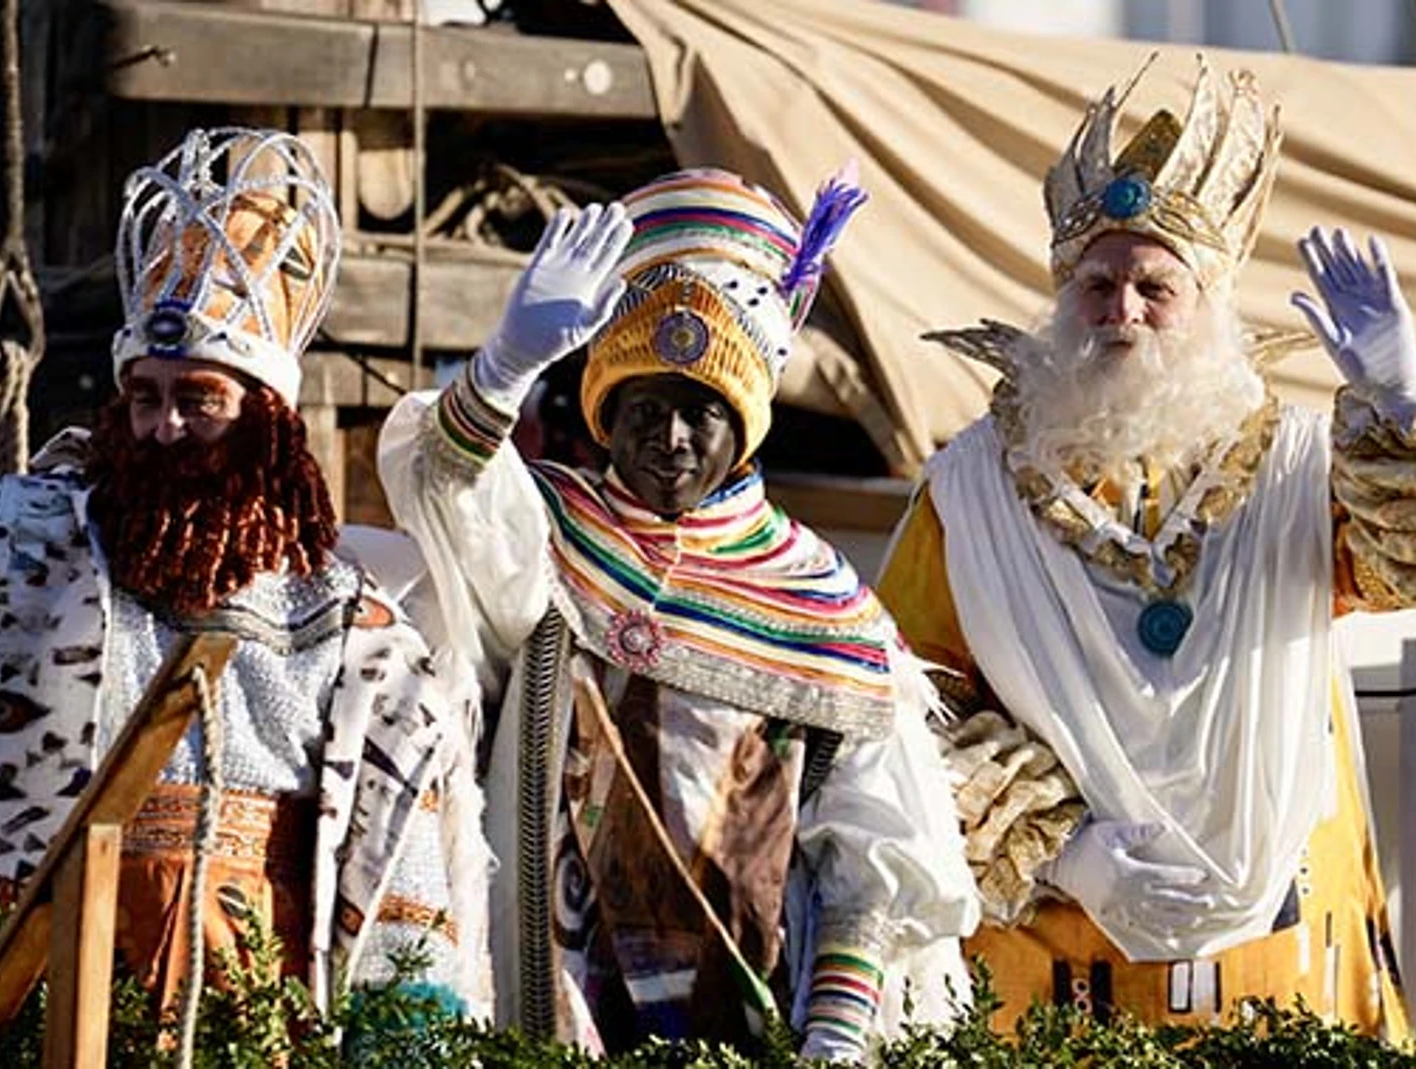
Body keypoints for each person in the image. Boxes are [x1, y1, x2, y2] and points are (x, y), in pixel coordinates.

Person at [0, 129, 489, 1025]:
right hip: (34, 1010)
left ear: (266, 418)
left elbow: (406, 922)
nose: (164, 427)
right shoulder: (36, 549)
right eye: (146, 397)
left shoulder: (354, 628)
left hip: (257, 1033)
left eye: (198, 399)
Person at [876, 59, 1416, 1035]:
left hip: (1281, 960)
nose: (1124, 310)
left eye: (1157, 285)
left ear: (1210, 303)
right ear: (1060, 299)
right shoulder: (969, 493)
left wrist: (1405, 399)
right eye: (1097, 284)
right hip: (1056, 959)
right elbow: (895, 712)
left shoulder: (1293, 468)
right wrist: (1060, 846)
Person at [379, 168, 978, 1061]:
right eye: (646, 409)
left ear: (747, 424)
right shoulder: (550, 534)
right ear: (605, 412)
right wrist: (505, 364)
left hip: (752, 1020)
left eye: (703, 412)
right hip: (553, 1003)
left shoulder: (827, 605)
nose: (671, 440)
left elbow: (877, 855)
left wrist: (837, 1041)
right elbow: (439, 485)